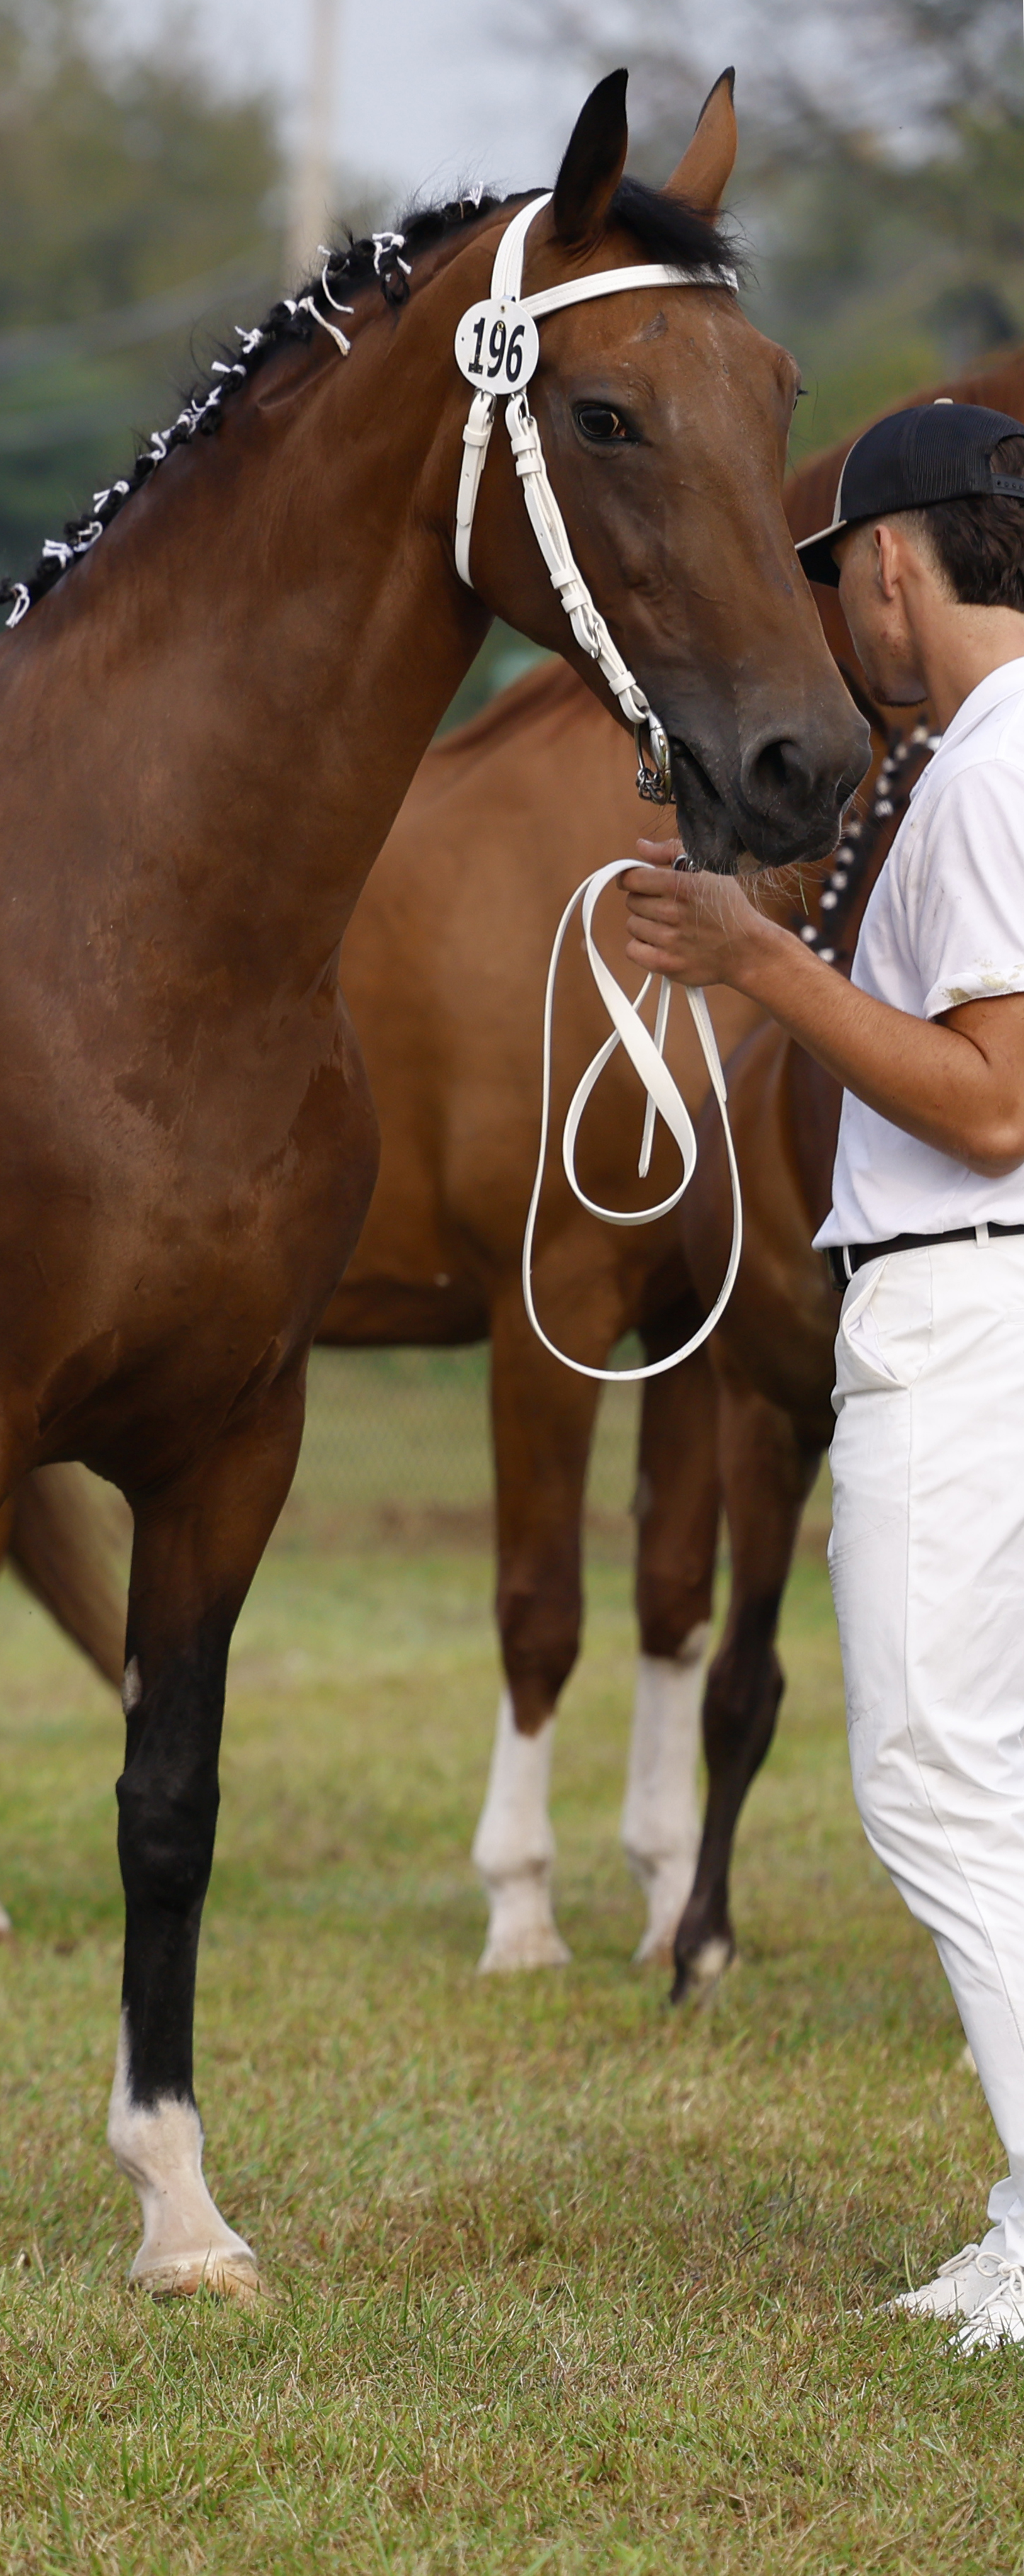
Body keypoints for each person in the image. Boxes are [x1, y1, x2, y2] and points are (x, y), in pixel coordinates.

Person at [622, 401, 1024, 2355]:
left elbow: (996, 1104)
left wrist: (751, 965)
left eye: (840, 583)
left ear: (889, 563)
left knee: (932, 1775)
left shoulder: (997, 770)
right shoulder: (987, 763)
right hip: (969, 1298)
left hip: (966, 1305)